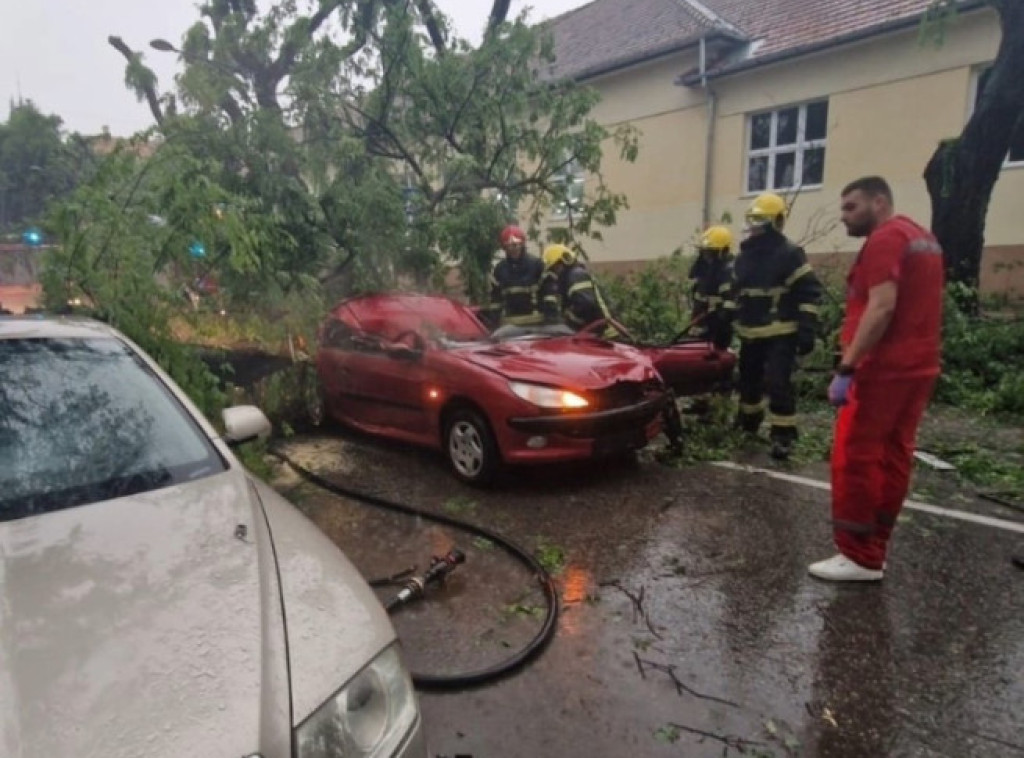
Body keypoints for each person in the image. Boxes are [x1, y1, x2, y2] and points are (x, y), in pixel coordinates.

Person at [808, 176, 944, 582]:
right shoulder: (922, 237)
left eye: (851, 207)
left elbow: (881, 307)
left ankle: (858, 555)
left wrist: (847, 367)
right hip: (918, 366)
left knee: (856, 455)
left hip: (882, 369)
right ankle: (875, 544)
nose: (844, 216)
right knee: (893, 454)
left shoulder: (886, 239)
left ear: (878, 201)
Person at [731, 192, 822, 460]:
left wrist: (807, 329)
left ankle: (783, 435)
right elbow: (737, 289)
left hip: (781, 332)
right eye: (753, 222)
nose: (754, 229)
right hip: (750, 332)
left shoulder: (789, 253)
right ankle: (748, 424)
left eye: (760, 223)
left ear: (775, 222)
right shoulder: (744, 256)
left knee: (778, 382)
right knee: (748, 381)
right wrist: (727, 309)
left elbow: (809, 291)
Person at [486, 224, 545, 328]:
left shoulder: (536, 265)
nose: (513, 249)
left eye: (516, 245)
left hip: (536, 324)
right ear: (504, 248)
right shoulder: (500, 269)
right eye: (508, 246)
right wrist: (494, 322)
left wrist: (551, 319)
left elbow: (548, 293)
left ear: (522, 244)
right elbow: (496, 299)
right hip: (509, 326)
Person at [688, 224, 735, 350]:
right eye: (704, 252)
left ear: (722, 252)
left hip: (717, 335)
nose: (706, 256)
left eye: (710, 252)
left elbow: (729, 307)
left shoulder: (726, 273)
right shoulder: (705, 273)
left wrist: (717, 325)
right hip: (698, 333)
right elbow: (698, 303)